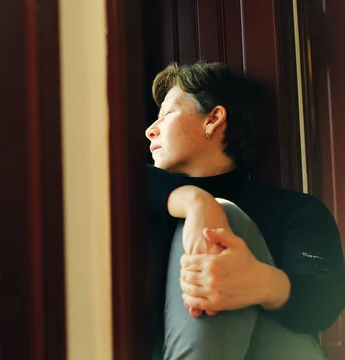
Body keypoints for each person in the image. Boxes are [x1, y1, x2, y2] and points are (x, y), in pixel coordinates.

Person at [144, 61, 345, 359]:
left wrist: (262, 284)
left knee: (229, 216)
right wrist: (196, 203)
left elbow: (326, 299)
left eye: (168, 113)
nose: (150, 131)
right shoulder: (135, 199)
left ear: (213, 119)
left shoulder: (296, 211)